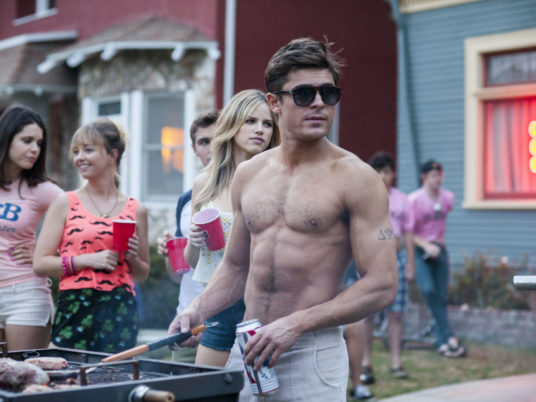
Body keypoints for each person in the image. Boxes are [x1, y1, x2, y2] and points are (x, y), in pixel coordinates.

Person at [169, 37, 398, 401]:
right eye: (304, 94)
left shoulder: (357, 178)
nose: (319, 103)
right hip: (249, 347)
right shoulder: (250, 174)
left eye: (328, 93)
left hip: (309, 350)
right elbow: (236, 267)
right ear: (274, 102)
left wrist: (296, 324)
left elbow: (382, 284)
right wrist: (197, 308)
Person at [179, 89, 278, 367]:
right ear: (232, 124)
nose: (260, 130)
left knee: (260, 385)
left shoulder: (275, 180)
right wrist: (195, 240)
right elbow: (193, 262)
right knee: (206, 384)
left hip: (262, 303)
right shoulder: (205, 182)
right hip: (220, 301)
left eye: (267, 124)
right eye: (250, 121)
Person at [33, 118, 150, 353]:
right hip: (75, 303)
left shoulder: (136, 209)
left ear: (112, 155)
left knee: (114, 371)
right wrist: (87, 260)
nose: (79, 158)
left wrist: (132, 258)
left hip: (120, 306)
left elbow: (142, 274)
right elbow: (40, 263)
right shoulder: (65, 202)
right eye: (76, 151)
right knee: (67, 369)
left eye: (88, 150)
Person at [156, 110, 219, 363]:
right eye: (204, 141)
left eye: (218, 138)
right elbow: (178, 275)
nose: (212, 148)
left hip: (226, 323)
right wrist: (169, 254)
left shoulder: (243, 190)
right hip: (188, 322)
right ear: (194, 149)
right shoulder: (186, 200)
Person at [0, 105, 63, 351]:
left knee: (25, 369)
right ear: (7, 138)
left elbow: (84, 225)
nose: (35, 149)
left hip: (25, 294)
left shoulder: (43, 190)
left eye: (39, 143)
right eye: (27, 141)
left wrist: (46, 253)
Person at [354, 151, 415, 392]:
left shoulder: (402, 200)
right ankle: (366, 361)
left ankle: (396, 362)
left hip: (396, 260)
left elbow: (408, 233)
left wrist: (410, 262)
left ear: (393, 174)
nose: (382, 176)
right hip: (369, 260)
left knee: (396, 314)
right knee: (367, 313)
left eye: (387, 171)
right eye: (378, 171)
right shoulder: (364, 197)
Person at [408, 159, 465, 358]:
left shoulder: (447, 198)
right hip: (421, 251)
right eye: (433, 176)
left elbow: (441, 223)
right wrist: (426, 245)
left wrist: (438, 244)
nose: (437, 179)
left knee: (441, 296)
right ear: (424, 177)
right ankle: (449, 336)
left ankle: (442, 343)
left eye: (440, 175)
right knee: (428, 289)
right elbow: (409, 233)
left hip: (439, 249)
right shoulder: (414, 200)